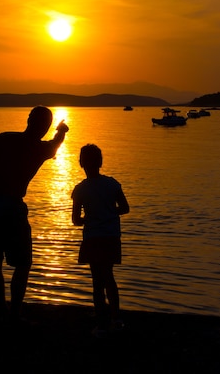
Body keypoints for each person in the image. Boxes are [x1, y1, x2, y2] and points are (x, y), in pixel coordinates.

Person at [0, 106, 69, 324]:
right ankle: (15, 314)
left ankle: (1, 309)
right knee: (23, 263)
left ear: (29, 120)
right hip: (11, 205)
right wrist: (62, 131)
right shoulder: (38, 149)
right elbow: (55, 145)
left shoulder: (2, 139)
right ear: (45, 126)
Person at [71, 144, 130, 337]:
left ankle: (102, 324)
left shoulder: (80, 189)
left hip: (93, 238)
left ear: (81, 163)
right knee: (109, 277)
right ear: (100, 162)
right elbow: (125, 208)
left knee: (97, 281)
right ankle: (116, 318)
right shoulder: (112, 184)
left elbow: (76, 220)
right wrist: (109, 214)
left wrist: (91, 218)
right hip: (111, 236)